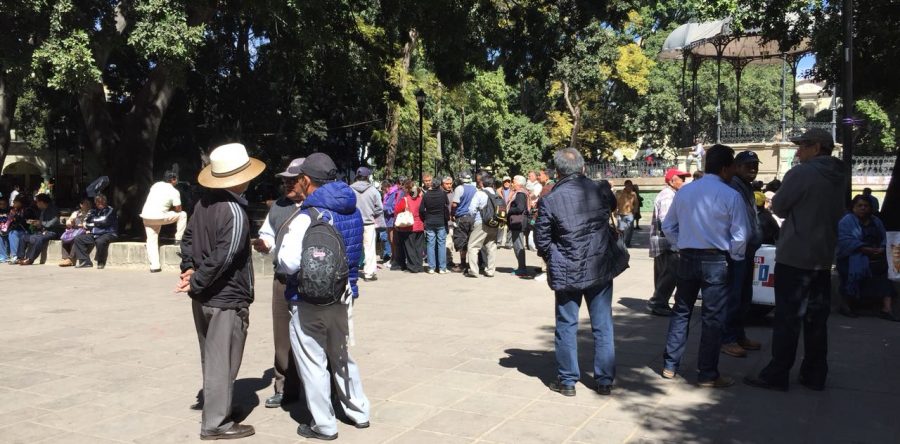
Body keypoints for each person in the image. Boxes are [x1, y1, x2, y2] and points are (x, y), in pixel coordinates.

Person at [276, 153, 370, 440]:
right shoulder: (351, 210)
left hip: (308, 300)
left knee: (313, 360)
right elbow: (359, 252)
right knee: (341, 355)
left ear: (307, 180)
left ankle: (324, 425)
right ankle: (359, 411)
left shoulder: (307, 216)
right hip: (343, 295)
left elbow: (289, 263)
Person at [744, 128, 846, 392]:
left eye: (802, 146)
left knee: (788, 318)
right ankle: (814, 374)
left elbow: (778, 206)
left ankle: (777, 373)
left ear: (816, 147)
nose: (798, 152)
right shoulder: (840, 174)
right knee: (816, 319)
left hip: (796, 254)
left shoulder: (802, 173)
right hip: (822, 256)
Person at [176, 143, 264, 440]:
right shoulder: (235, 211)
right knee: (222, 360)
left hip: (204, 297)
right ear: (240, 177)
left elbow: (187, 240)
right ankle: (216, 423)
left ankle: (220, 407)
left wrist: (189, 270)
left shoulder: (203, 204)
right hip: (224, 297)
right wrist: (197, 278)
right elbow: (225, 257)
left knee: (212, 357)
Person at [661, 144, 748, 388]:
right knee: (712, 317)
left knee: (682, 310)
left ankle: (670, 365)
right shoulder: (731, 195)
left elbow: (668, 226)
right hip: (716, 259)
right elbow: (740, 234)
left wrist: (682, 245)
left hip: (688, 257)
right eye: (732, 166)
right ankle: (707, 373)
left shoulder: (685, 192)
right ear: (724, 168)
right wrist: (735, 257)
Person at [535, 148, 618, 397]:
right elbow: (610, 209)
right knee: (603, 325)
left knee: (566, 324)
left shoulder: (550, 199)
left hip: (567, 269)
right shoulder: (601, 190)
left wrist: (554, 257)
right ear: (583, 168)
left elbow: (541, 239)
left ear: (557, 172)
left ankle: (568, 380)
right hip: (598, 267)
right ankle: (604, 380)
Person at [252, 157, 305, 409]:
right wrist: (263, 244)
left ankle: (319, 387)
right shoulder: (279, 207)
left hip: (312, 282)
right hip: (283, 281)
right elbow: (268, 234)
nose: (287, 185)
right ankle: (284, 386)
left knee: (316, 335)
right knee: (282, 336)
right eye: (285, 181)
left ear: (306, 180)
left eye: (293, 180)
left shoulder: (318, 206)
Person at [721, 151, 764, 358]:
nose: (753, 169)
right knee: (734, 296)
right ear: (736, 167)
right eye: (748, 165)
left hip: (748, 251)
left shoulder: (746, 187)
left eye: (755, 165)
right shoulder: (732, 187)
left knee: (745, 296)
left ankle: (738, 334)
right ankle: (728, 338)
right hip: (737, 252)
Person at [836, 195, 897, 321]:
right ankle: (846, 305)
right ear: (853, 207)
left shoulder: (876, 221)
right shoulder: (846, 221)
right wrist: (863, 248)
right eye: (860, 206)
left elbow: (884, 237)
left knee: (885, 274)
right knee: (851, 272)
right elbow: (845, 241)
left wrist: (881, 248)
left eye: (866, 206)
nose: (863, 208)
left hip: (876, 256)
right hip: (853, 256)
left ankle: (887, 309)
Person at [647, 168, 690, 316]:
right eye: (681, 179)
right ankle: (658, 302)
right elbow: (666, 223)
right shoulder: (668, 197)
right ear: (672, 181)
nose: (684, 182)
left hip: (665, 242)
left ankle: (660, 303)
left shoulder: (672, 195)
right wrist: (676, 244)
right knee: (670, 274)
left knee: (665, 274)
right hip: (667, 243)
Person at [141, 170, 188, 272]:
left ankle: (155, 266)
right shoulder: (174, 191)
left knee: (151, 240)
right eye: (176, 179)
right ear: (173, 180)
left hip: (146, 216)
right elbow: (178, 209)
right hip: (159, 217)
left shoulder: (156, 185)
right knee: (183, 215)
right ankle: (178, 239)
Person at [351, 167, 384, 281]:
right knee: (369, 249)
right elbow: (379, 208)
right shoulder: (373, 190)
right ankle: (369, 274)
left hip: (354, 223)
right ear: (367, 177)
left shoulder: (350, 189)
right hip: (369, 223)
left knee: (352, 248)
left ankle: (351, 273)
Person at [465, 174, 499, 278]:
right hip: (495, 223)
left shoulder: (480, 193)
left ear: (482, 183)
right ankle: (490, 270)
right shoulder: (496, 194)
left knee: (473, 246)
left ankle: (474, 271)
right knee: (491, 246)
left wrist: (473, 217)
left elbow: (471, 209)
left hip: (482, 222)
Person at [72, 194, 118, 269]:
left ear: (105, 202)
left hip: (108, 233)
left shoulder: (110, 210)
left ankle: (101, 262)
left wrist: (93, 222)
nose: (100, 204)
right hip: (95, 233)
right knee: (78, 239)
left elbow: (105, 220)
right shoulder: (93, 211)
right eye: (97, 202)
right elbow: (86, 223)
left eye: (101, 202)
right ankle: (85, 261)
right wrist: (96, 223)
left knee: (100, 241)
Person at [16, 194, 63, 266]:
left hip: (51, 232)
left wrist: (40, 223)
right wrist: (34, 223)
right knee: (23, 237)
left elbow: (53, 222)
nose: (36, 203)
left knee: (38, 239)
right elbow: (40, 223)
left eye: (37, 202)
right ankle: (20, 258)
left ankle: (30, 259)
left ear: (42, 202)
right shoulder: (42, 210)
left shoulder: (54, 210)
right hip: (41, 232)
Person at [420, 173, 450, 274]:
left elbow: (421, 209)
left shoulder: (426, 195)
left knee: (430, 244)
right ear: (440, 185)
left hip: (429, 222)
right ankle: (442, 268)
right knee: (441, 244)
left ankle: (431, 267)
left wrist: (425, 217)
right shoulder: (443, 194)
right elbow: (447, 205)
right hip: (441, 222)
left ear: (432, 185)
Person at [394, 179, 425, 273]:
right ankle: (419, 266)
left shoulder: (405, 199)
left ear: (407, 190)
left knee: (410, 247)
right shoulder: (420, 199)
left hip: (409, 227)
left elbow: (397, 210)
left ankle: (412, 267)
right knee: (419, 247)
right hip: (420, 226)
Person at [450, 172, 477, 273]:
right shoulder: (475, 189)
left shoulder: (459, 188)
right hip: (473, 218)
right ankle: (472, 264)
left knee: (461, 241)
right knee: (471, 241)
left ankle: (463, 264)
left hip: (461, 218)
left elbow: (454, 204)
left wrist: (452, 214)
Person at [59, 199, 93, 267]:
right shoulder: (76, 213)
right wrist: (70, 222)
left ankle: (71, 259)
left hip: (85, 231)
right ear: (81, 205)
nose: (87, 205)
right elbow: (68, 222)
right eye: (85, 204)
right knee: (64, 238)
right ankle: (65, 258)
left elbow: (90, 224)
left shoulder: (91, 213)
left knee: (77, 238)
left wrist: (83, 225)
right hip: (75, 230)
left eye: (88, 204)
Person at [507, 175, 529, 276]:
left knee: (518, 245)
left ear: (519, 183)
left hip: (518, 222)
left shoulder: (520, 194)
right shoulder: (522, 192)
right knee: (518, 245)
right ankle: (521, 267)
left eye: (514, 182)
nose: (512, 183)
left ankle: (522, 268)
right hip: (519, 222)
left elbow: (520, 208)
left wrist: (509, 210)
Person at [1, 196, 27, 264]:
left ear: (20, 203)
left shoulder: (25, 210)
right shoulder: (12, 210)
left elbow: (23, 222)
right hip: (8, 229)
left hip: (23, 231)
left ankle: (15, 256)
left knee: (12, 233)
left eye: (15, 202)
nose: (13, 203)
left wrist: (14, 216)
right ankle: (3, 257)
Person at [615, 180, 637, 247]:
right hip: (621, 214)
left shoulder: (633, 194)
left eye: (631, 185)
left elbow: (636, 203)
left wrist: (635, 211)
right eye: (628, 185)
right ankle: (621, 244)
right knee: (621, 230)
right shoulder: (619, 193)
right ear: (625, 185)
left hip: (630, 214)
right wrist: (615, 212)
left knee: (630, 230)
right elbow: (616, 203)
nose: (629, 187)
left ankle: (627, 243)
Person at [497, 176, 513, 247]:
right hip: (501, 210)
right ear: (503, 182)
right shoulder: (498, 190)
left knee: (510, 227)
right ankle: (498, 242)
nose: (507, 183)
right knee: (500, 226)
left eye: (508, 181)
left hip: (510, 210)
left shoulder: (513, 191)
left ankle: (508, 243)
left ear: (510, 183)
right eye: (505, 181)